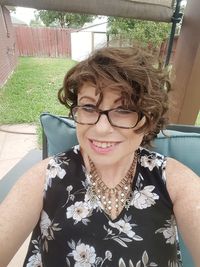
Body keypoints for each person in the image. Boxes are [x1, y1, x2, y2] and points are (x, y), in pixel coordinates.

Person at [0, 45, 200, 267]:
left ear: (148, 119)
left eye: (124, 109)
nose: (101, 128)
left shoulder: (174, 181)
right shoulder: (45, 177)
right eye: (88, 107)